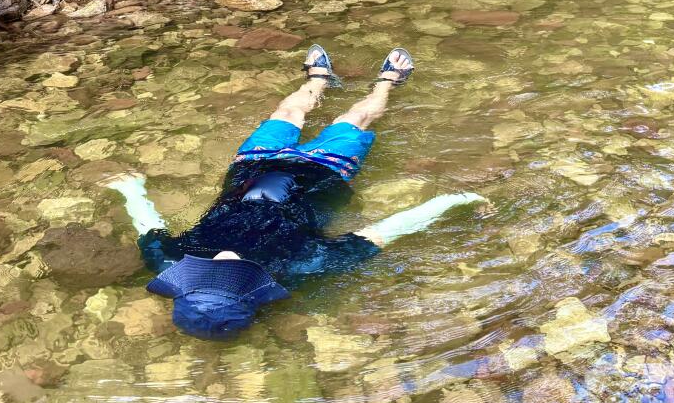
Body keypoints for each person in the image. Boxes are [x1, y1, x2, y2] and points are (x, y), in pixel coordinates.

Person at [106, 45, 484, 340]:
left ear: (185, 286)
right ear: (249, 289)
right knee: (354, 119)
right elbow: (385, 230)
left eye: (208, 274)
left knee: (286, 112)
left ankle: (319, 81)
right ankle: (388, 83)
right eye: (229, 276)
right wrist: (452, 201)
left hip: (251, 166)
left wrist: (132, 190)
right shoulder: (303, 264)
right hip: (323, 173)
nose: (221, 260)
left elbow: (148, 226)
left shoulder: (171, 263)